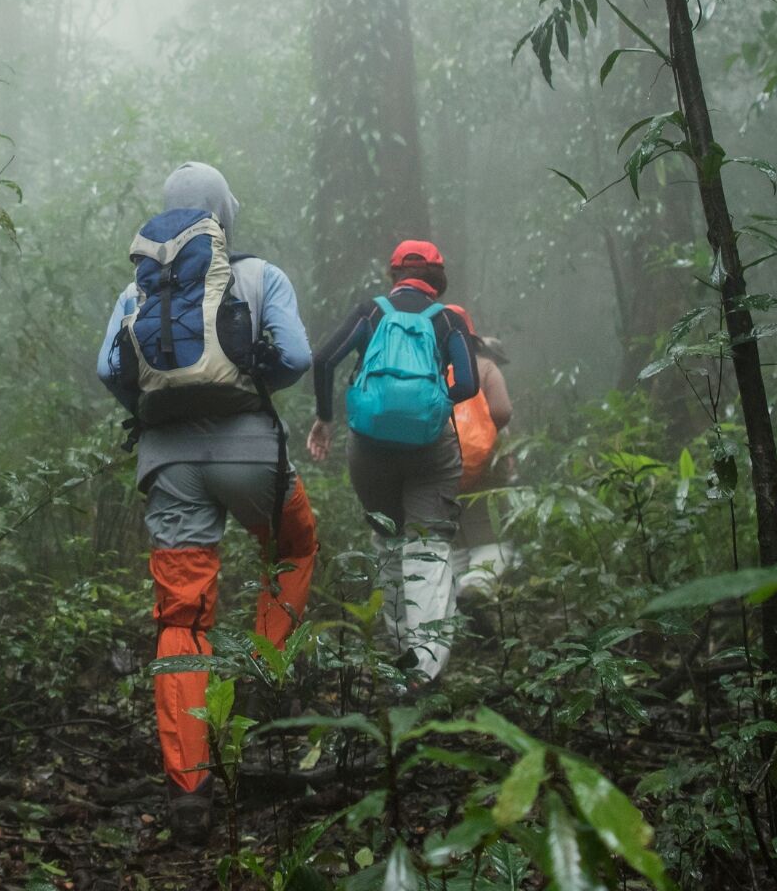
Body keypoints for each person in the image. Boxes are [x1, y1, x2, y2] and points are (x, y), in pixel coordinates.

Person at [95, 161, 317, 843]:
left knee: (183, 615)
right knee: (294, 546)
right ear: (226, 212)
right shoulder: (258, 275)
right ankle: (262, 670)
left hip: (169, 464)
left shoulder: (136, 290)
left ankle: (190, 786)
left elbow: (109, 368)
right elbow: (299, 356)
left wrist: (159, 411)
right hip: (252, 453)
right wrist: (250, 387)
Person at [305, 239, 478, 683]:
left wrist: (326, 417)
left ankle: (401, 653)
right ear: (438, 278)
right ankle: (424, 667)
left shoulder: (371, 311)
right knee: (430, 544)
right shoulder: (449, 320)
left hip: (369, 445)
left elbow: (323, 359)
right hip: (431, 448)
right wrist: (436, 400)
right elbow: (470, 384)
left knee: (388, 539)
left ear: (395, 274)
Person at [449, 323, 515, 602]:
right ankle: (477, 585)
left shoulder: (445, 368)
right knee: (492, 539)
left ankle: (448, 599)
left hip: (444, 466)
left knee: (454, 539)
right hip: (484, 471)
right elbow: (501, 413)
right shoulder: (488, 369)